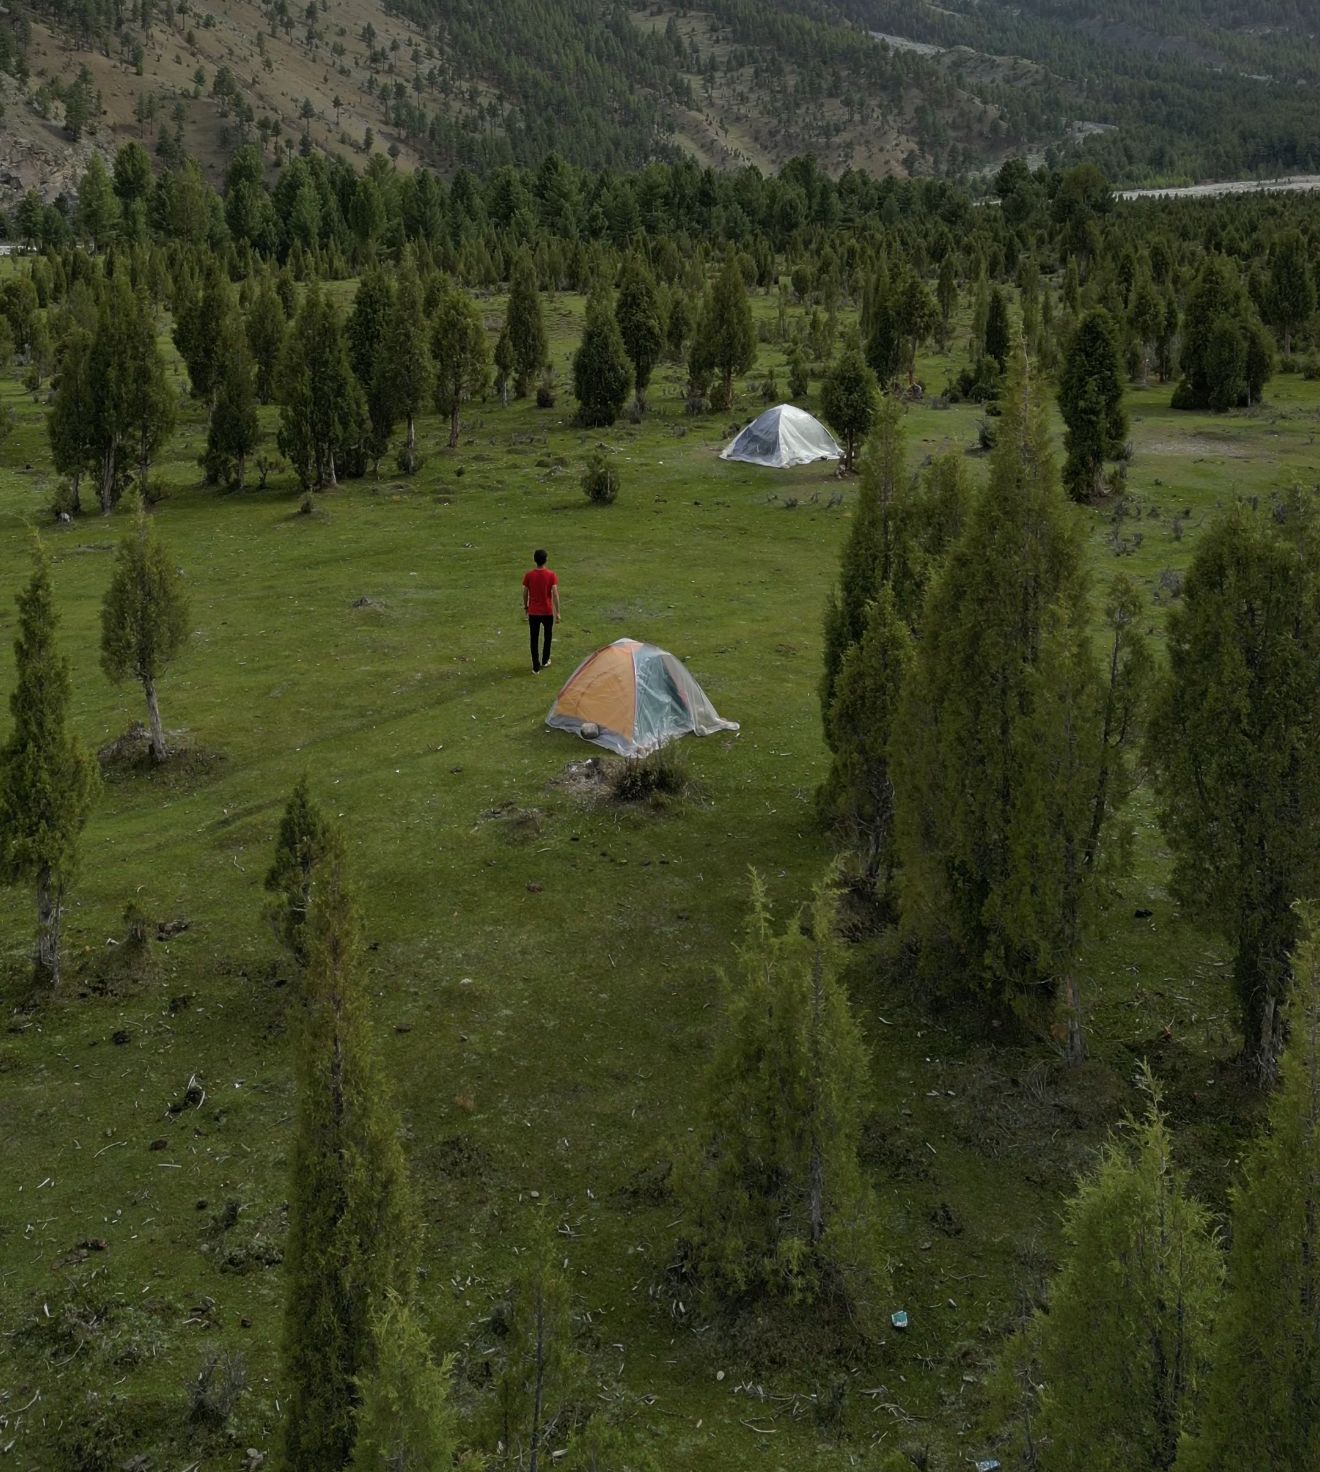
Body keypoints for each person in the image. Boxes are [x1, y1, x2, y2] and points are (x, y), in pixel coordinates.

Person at [521, 548, 560, 673]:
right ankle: (545, 659)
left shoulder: (529, 575)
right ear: (546, 560)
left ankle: (535, 666)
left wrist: (526, 606)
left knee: (534, 638)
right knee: (548, 636)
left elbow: (525, 592)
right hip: (547, 611)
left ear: (534, 560)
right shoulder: (551, 575)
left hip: (534, 612)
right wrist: (558, 612)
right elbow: (554, 593)